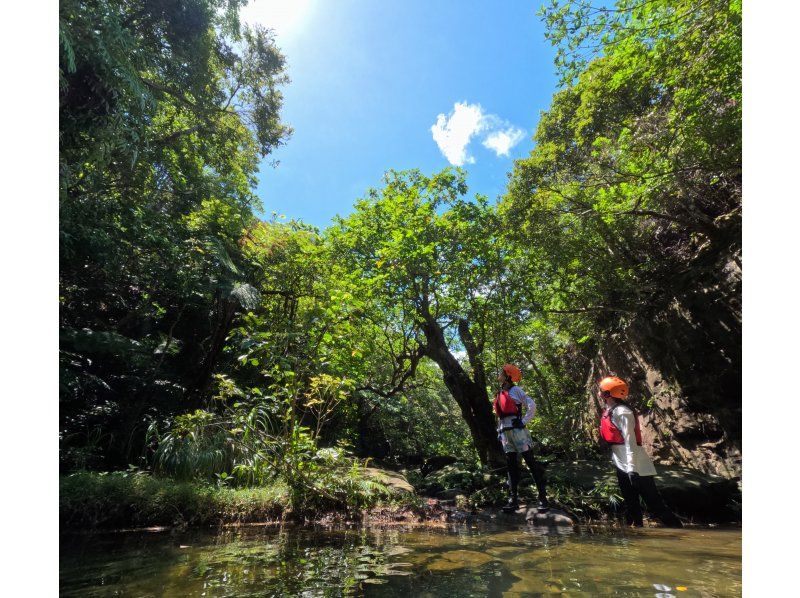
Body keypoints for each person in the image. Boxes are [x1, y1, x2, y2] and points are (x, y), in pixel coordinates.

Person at [597, 375, 683, 528]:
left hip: (637, 466)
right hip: (622, 464)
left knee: (655, 504)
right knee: (631, 506)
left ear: (608, 394)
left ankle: (679, 531)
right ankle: (636, 539)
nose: (599, 392)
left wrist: (631, 469)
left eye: (601, 390)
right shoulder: (610, 410)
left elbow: (630, 441)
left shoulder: (622, 412)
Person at [494, 363, 549, 512]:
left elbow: (531, 404)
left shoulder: (516, 390)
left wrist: (523, 421)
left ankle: (543, 499)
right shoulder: (500, 392)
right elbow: (500, 416)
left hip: (518, 432)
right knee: (511, 466)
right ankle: (513, 500)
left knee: (530, 462)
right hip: (505, 433)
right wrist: (499, 432)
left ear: (507, 376)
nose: (498, 374)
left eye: (501, 372)